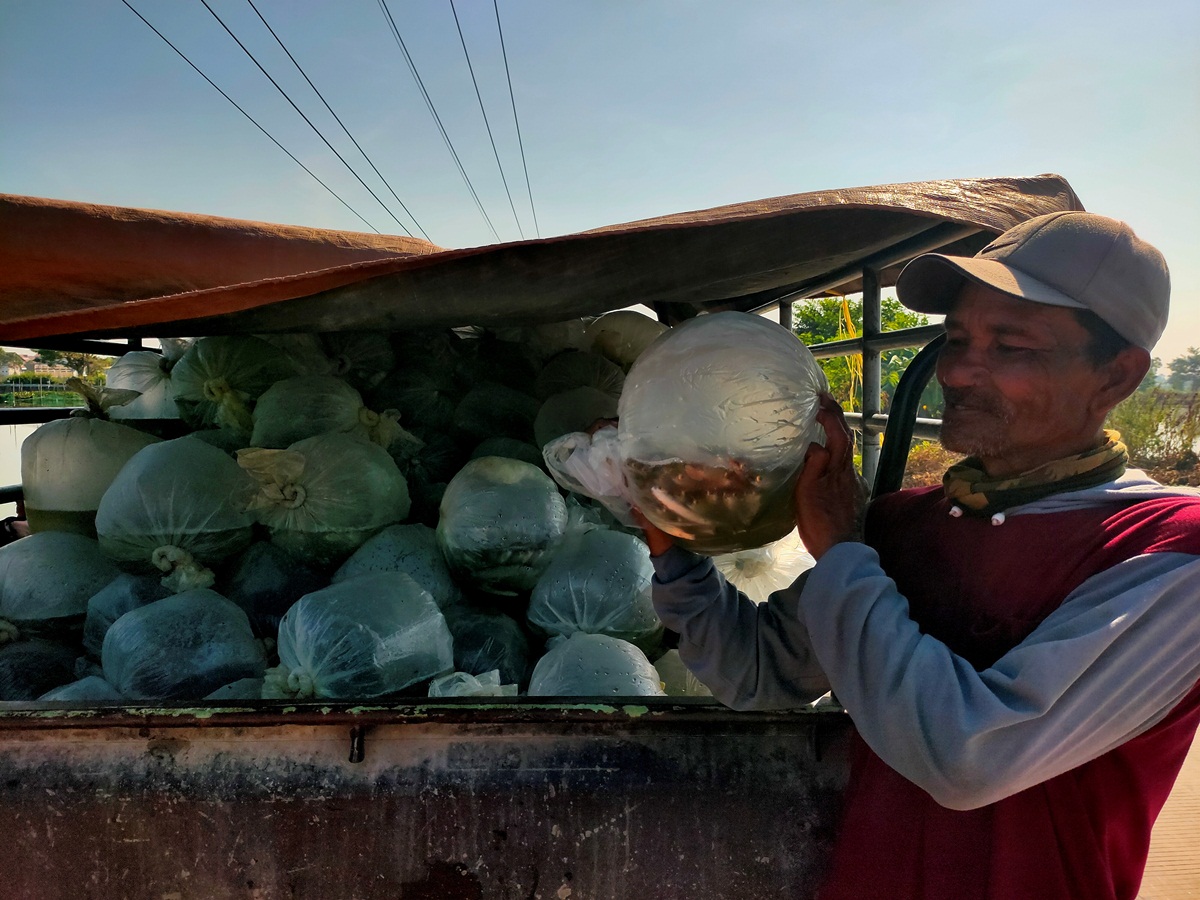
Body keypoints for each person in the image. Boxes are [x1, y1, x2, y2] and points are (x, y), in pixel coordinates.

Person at [636, 211, 1200, 900]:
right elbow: (760, 672)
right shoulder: (906, 525)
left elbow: (969, 755)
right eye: (956, 338)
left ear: (1116, 377)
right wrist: (669, 538)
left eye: (1011, 347)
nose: (959, 371)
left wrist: (841, 550)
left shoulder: (1166, 550)